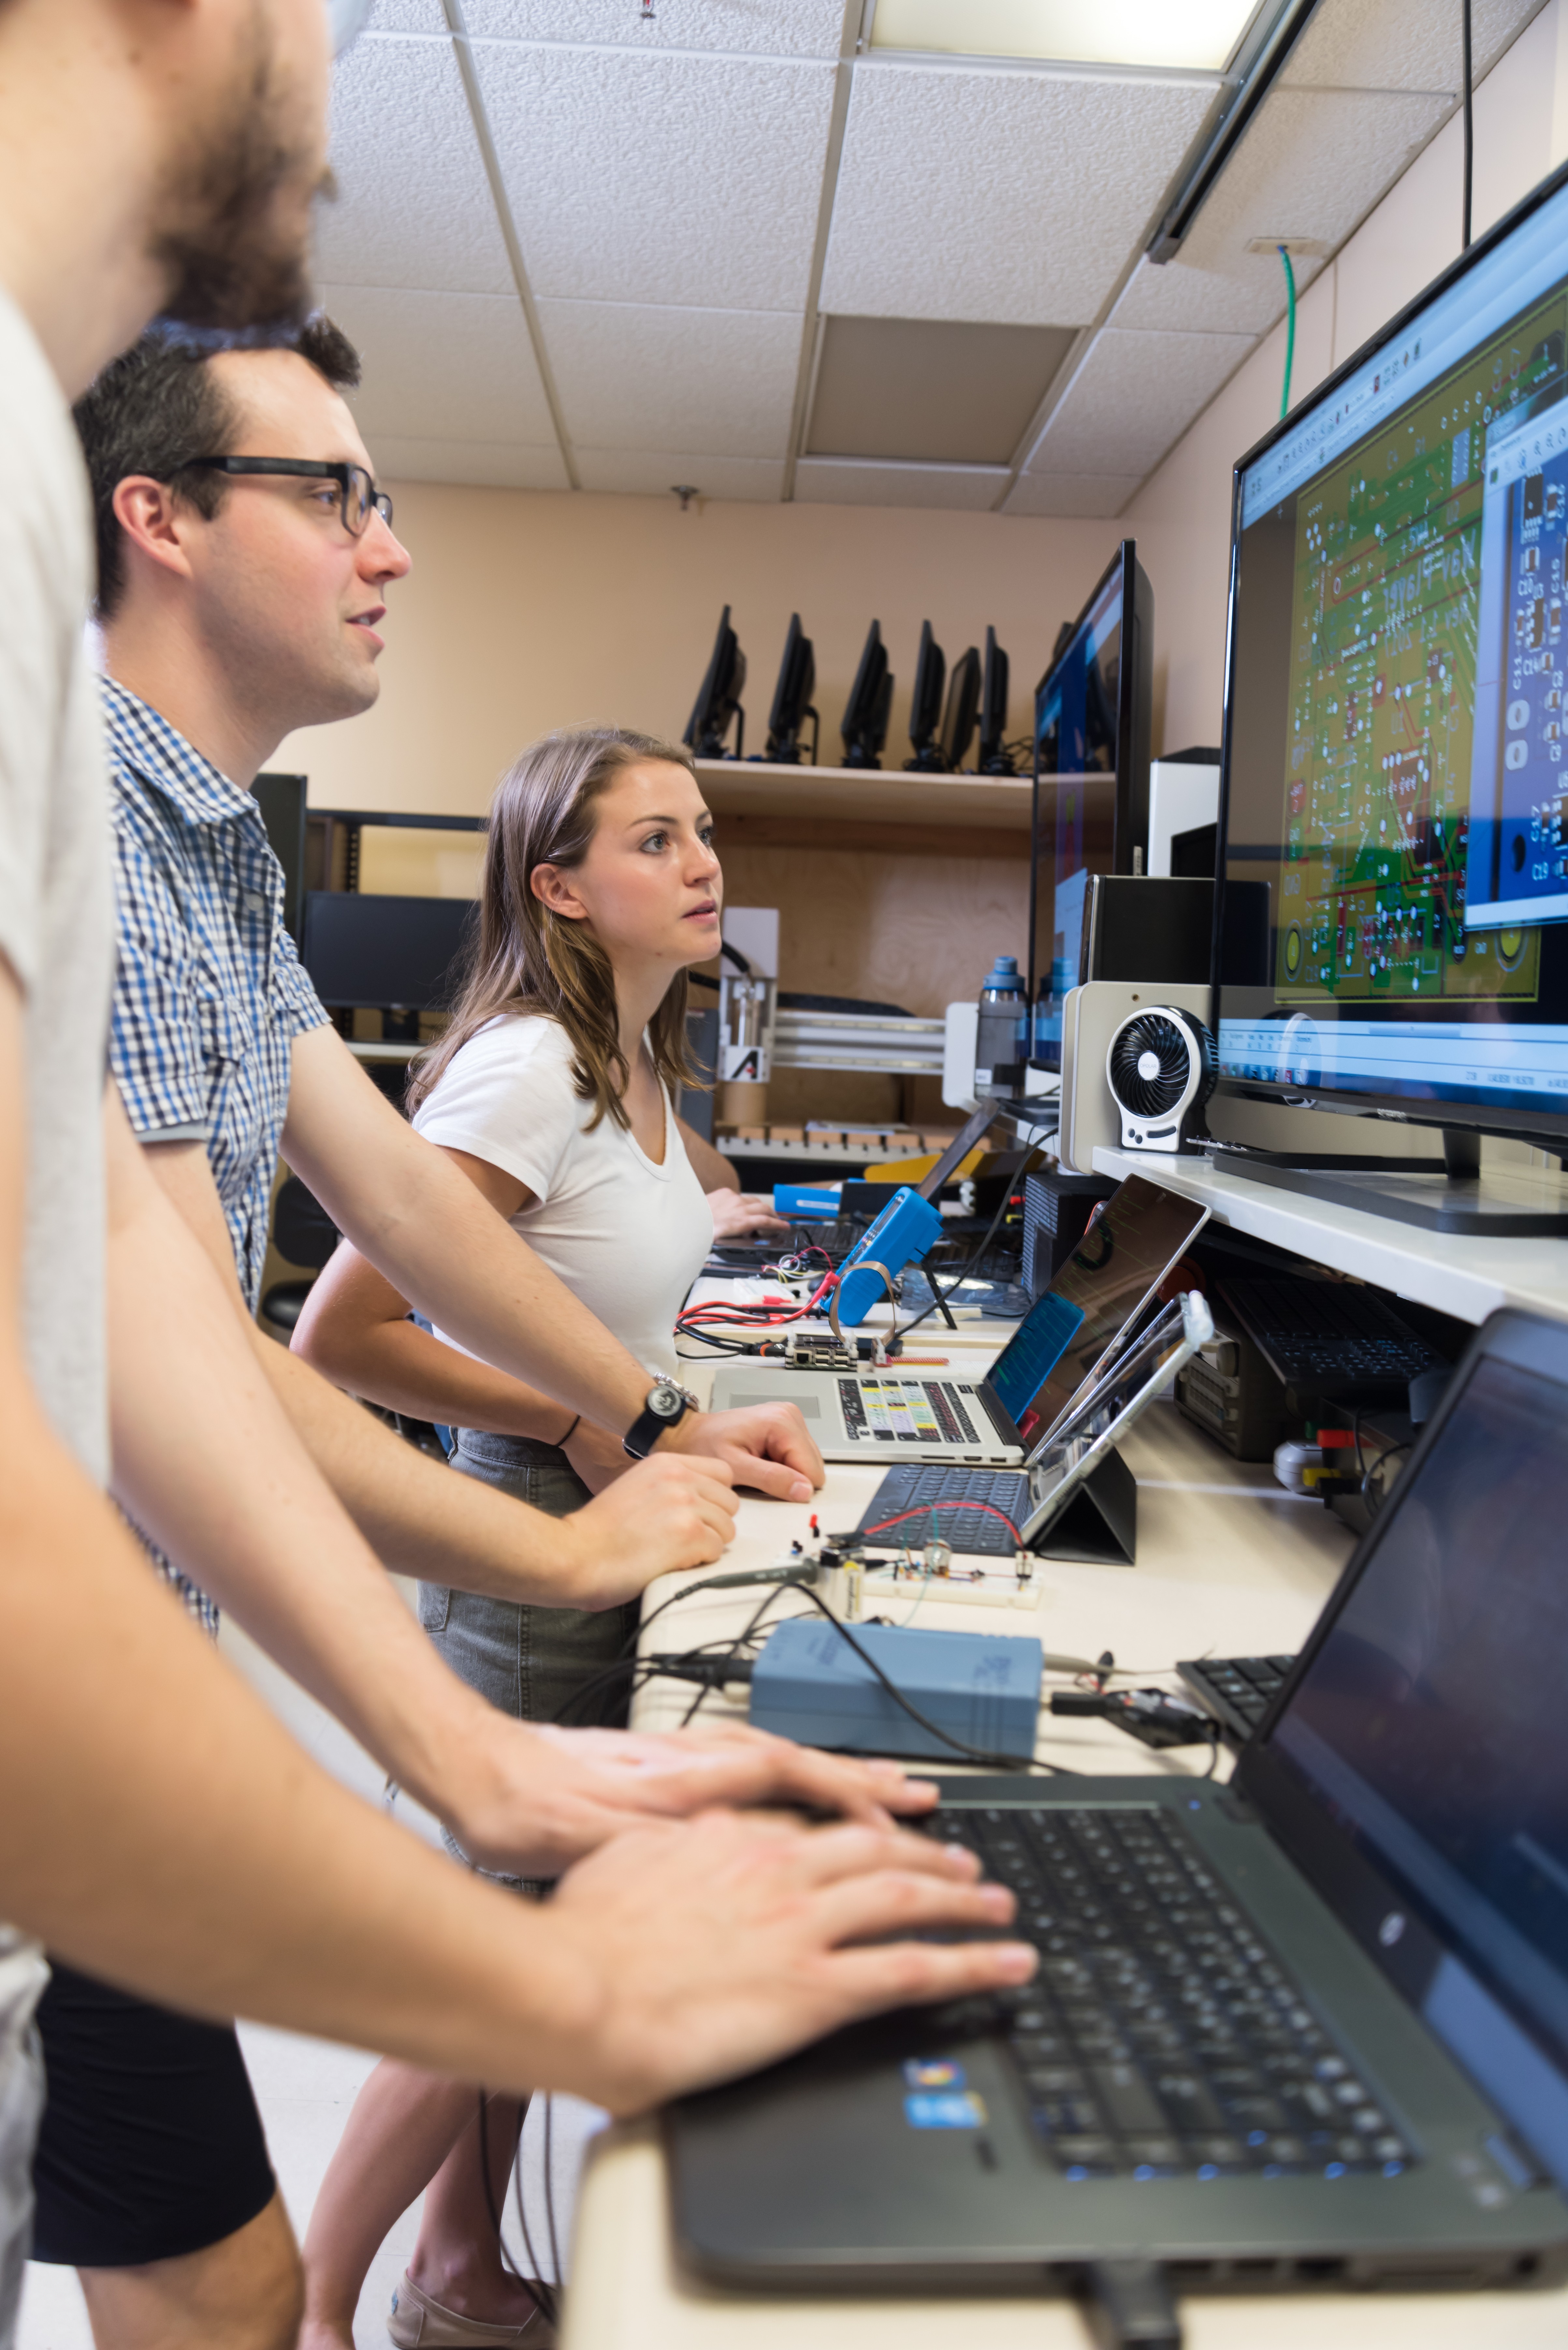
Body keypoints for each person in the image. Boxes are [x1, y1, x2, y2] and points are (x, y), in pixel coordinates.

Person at [0, 5, 1038, 2348]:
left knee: (222, 2283)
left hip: (130, 1693)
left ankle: (447, 2252)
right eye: (334, 494)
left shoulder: (195, 855)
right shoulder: (43, 673)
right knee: (231, 2283)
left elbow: (219, 1271)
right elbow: (159, 1393)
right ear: (155, 515)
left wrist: (628, 1466)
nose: (386, 546)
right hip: (81, 1709)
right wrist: (538, 1952)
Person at [291, 722, 778, 2343]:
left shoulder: (628, 1055)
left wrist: (679, 1399)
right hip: (533, 1530)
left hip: (603, 1506)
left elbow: (581, 1291)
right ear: (559, 888)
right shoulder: (531, 1066)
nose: (702, 863)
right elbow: (347, 1342)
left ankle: (455, 2268)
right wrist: (590, 1421)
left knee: (535, 1912)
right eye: (657, 843)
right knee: (497, 1946)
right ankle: (306, 2301)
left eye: (702, 832)